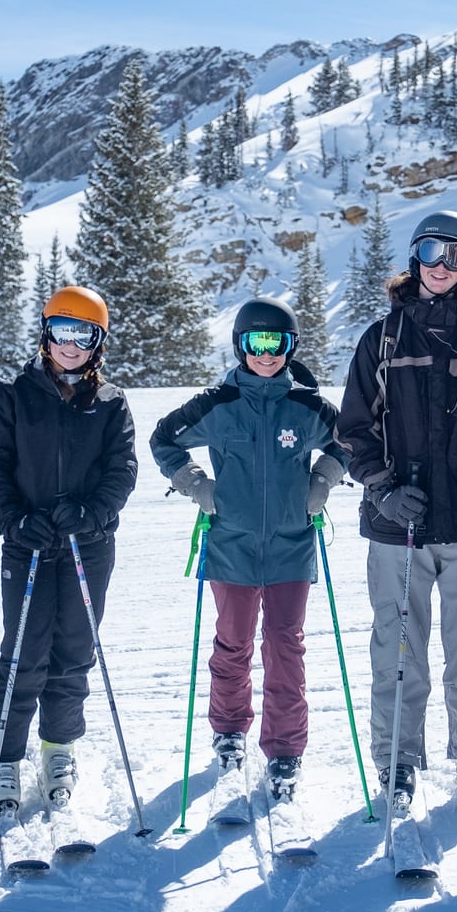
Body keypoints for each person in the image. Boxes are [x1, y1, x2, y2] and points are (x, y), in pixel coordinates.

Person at [337, 209, 457, 814]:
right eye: (430, 251)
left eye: (455, 255)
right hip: (399, 526)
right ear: (413, 257)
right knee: (398, 647)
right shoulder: (382, 339)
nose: (441, 266)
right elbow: (354, 430)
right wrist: (383, 489)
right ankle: (397, 759)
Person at [150, 297, 349, 802]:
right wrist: (195, 482)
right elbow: (163, 437)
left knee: (285, 647)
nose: (266, 354)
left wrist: (324, 478)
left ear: (290, 347)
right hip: (231, 544)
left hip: (291, 544)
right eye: (256, 343)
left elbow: (354, 439)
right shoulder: (218, 405)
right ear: (240, 346)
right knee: (233, 643)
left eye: (276, 343)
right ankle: (229, 731)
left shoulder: (306, 407)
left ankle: (284, 750)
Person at [0, 285, 138, 813]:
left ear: (98, 341)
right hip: (29, 539)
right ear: (46, 335)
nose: (71, 345)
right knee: (22, 650)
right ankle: (3, 759)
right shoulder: (15, 395)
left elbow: (123, 470)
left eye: (83, 335)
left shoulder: (111, 402)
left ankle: (58, 747)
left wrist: (94, 513)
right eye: (63, 332)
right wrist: (14, 518)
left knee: (73, 651)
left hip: (87, 544)